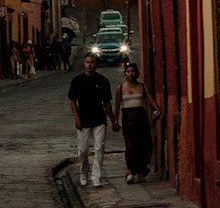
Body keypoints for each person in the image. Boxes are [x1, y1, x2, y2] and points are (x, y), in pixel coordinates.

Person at [68, 52, 119, 187]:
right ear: (84, 63)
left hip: (99, 119)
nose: (90, 65)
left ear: (96, 64)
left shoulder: (103, 81)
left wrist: (113, 120)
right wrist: (76, 118)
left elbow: (107, 103)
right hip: (83, 119)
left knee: (99, 148)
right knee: (83, 150)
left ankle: (96, 176)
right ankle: (84, 172)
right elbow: (72, 101)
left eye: (92, 62)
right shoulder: (77, 81)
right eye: (87, 62)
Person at [114, 62, 159, 182]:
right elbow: (117, 105)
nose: (130, 74)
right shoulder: (121, 88)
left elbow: (149, 99)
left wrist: (157, 109)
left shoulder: (141, 86)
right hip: (128, 119)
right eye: (128, 71)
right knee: (130, 146)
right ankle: (130, 171)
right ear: (124, 74)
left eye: (132, 71)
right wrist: (115, 121)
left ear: (136, 73)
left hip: (141, 118)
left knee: (145, 145)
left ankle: (140, 169)